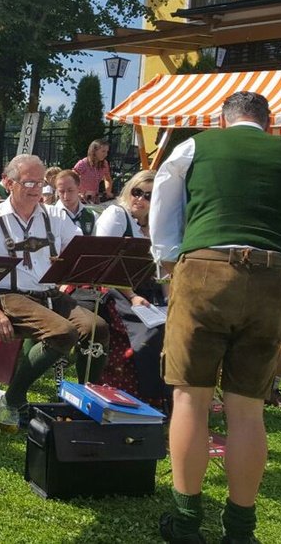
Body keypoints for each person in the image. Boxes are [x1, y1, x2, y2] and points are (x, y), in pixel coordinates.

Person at [151, 91, 281, 544]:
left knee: (190, 399)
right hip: (273, 275)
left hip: (205, 269)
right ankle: (240, 531)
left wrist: (171, 264)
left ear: (223, 121)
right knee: (248, 409)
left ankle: (186, 523)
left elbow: (163, 214)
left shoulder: (194, 147)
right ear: (269, 124)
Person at [0, 154, 109, 428]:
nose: (36, 189)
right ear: (9, 183)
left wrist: (78, 265)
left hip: (50, 294)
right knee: (63, 332)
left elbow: (81, 252)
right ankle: (12, 398)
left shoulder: (55, 215)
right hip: (9, 295)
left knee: (97, 328)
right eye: (29, 182)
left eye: (40, 183)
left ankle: (84, 402)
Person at [92, 170, 168, 409]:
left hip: (149, 290)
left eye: (148, 196)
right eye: (137, 192)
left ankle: (173, 396)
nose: (140, 199)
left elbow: (164, 270)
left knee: (178, 325)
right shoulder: (117, 215)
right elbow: (105, 263)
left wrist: (170, 301)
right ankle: (149, 397)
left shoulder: (157, 225)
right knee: (153, 331)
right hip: (116, 290)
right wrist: (133, 296)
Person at [46, 169, 96, 236]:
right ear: (57, 191)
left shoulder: (92, 215)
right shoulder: (49, 215)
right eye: (61, 191)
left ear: (79, 188)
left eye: (70, 190)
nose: (66, 196)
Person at [73, 138, 113, 203]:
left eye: (107, 151)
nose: (106, 154)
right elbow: (71, 179)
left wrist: (108, 191)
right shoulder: (83, 163)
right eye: (103, 151)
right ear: (94, 151)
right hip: (80, 200)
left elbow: (108, 179)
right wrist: (77, 193)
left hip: (94, 199)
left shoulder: (104, 164)